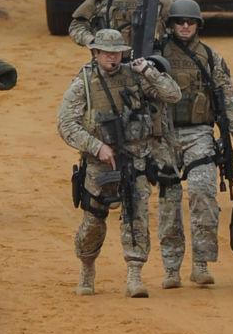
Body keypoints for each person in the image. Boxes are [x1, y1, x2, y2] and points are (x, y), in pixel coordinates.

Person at [57, 29, 181, 298]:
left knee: (136, 214)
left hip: (136, 157)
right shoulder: (84, 84)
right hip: (101, 163)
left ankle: (134, 274)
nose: (113, 58)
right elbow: (66, 124)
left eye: (117, 53)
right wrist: (96, 146)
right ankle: (87, 266)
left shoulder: (135, 76)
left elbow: (173, 95)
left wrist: (149, 70)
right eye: (107, 53)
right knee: (93, 220)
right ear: (96, 53)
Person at [160, 0, 233, 286]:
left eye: (190, 21)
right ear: (171, 25)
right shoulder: (155, 56)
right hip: (162, 137)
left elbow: (229, 101)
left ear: (198, 25)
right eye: (179, 21)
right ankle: (171, 269)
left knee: (202, 193)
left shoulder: (211, 58)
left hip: (200, 134)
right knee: (169, 203)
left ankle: (200, 263)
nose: (185, 26)